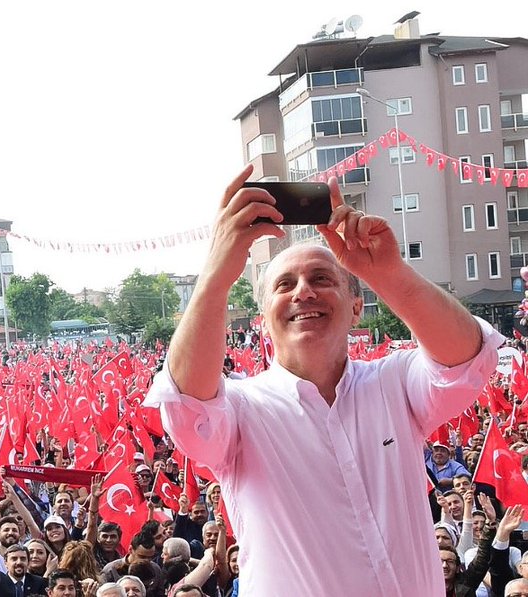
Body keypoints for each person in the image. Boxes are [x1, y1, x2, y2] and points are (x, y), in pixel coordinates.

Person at [144, 169, 504, 595]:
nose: (304, 293)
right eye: (284, 285)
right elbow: (187, 410)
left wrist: (387, 272)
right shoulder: (241, 409)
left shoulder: (394, 381)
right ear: (263, 322)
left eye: (321, 279)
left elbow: (467, 360)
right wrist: (217, 273)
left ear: (356, 308)